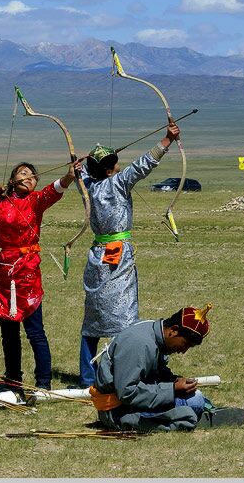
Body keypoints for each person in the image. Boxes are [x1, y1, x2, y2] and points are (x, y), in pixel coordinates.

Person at [78, 122, 180, 387]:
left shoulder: (88, 186)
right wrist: (167, 140)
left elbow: (81, 176)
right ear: (111, 169)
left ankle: (87, 377)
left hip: (97, 256)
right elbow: (144, 165)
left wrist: (79, 167)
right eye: (116, 165)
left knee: (92, 322)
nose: (120, 169)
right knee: (125, 320)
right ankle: (121, 373)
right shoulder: (117, 183)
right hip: (117, 257)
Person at [0, 161, 77, 392]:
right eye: (23, 173)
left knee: (35, 331)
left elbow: (56, 189)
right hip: (5, 271)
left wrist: (69, 176)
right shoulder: (0, 202)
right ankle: (12, 381)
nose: (29, 177)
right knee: (9, 334)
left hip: (27, 272)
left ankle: (43, 384)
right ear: (12, 180)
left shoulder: (36, 201)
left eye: (33, 175)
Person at [90, 304, 212, 432]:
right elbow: (127, 393)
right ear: (174, 330)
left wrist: (174, 381)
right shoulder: (138, 344)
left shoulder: (155, 334)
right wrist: (172, 389)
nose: (184, 351)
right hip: (116, 410)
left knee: (196, 399)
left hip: (134, 402)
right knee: (193, 406)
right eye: (185, 344)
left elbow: (153, 373)